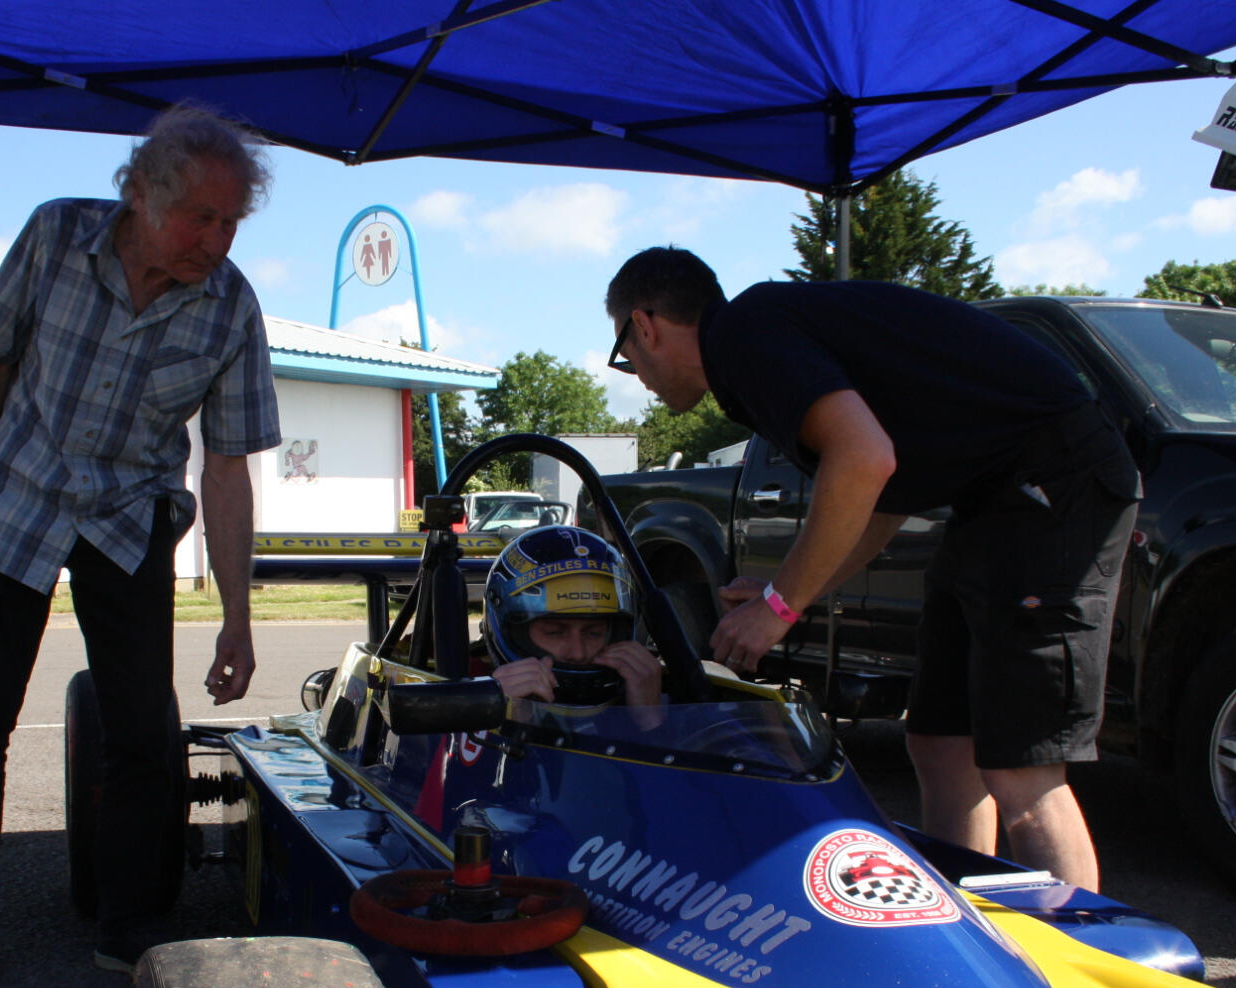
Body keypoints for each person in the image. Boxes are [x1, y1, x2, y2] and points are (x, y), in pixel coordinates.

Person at [603, 248, 1139, 890]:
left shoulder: (747, 334)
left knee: (1022, 772)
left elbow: (862, 458)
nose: (634, 373)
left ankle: (1080, 968)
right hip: (990, 501)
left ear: (646, 325)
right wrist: (785, 594)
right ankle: (960, 937)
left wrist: (778, 608)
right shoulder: (758, 343)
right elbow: (880, 491)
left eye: (624, 355)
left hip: (1056, 486)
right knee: (941, 741)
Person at [0, 103, 281, 986]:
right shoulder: (55, 236)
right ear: (142, 195)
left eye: (232, 223)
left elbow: (226, 470)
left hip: (129, 516)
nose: (217, 240)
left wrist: (238, 613)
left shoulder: (231, 308)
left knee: (141, 732)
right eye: (202, 217)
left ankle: (129, 924)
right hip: (19, 502)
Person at [482, 526, 662, 712]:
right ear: (513, 632)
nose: (578, 653)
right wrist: (495, 713)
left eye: (593, 633)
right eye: (554, 632)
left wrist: (650, 718)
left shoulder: (647, 687)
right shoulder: (461, 695)